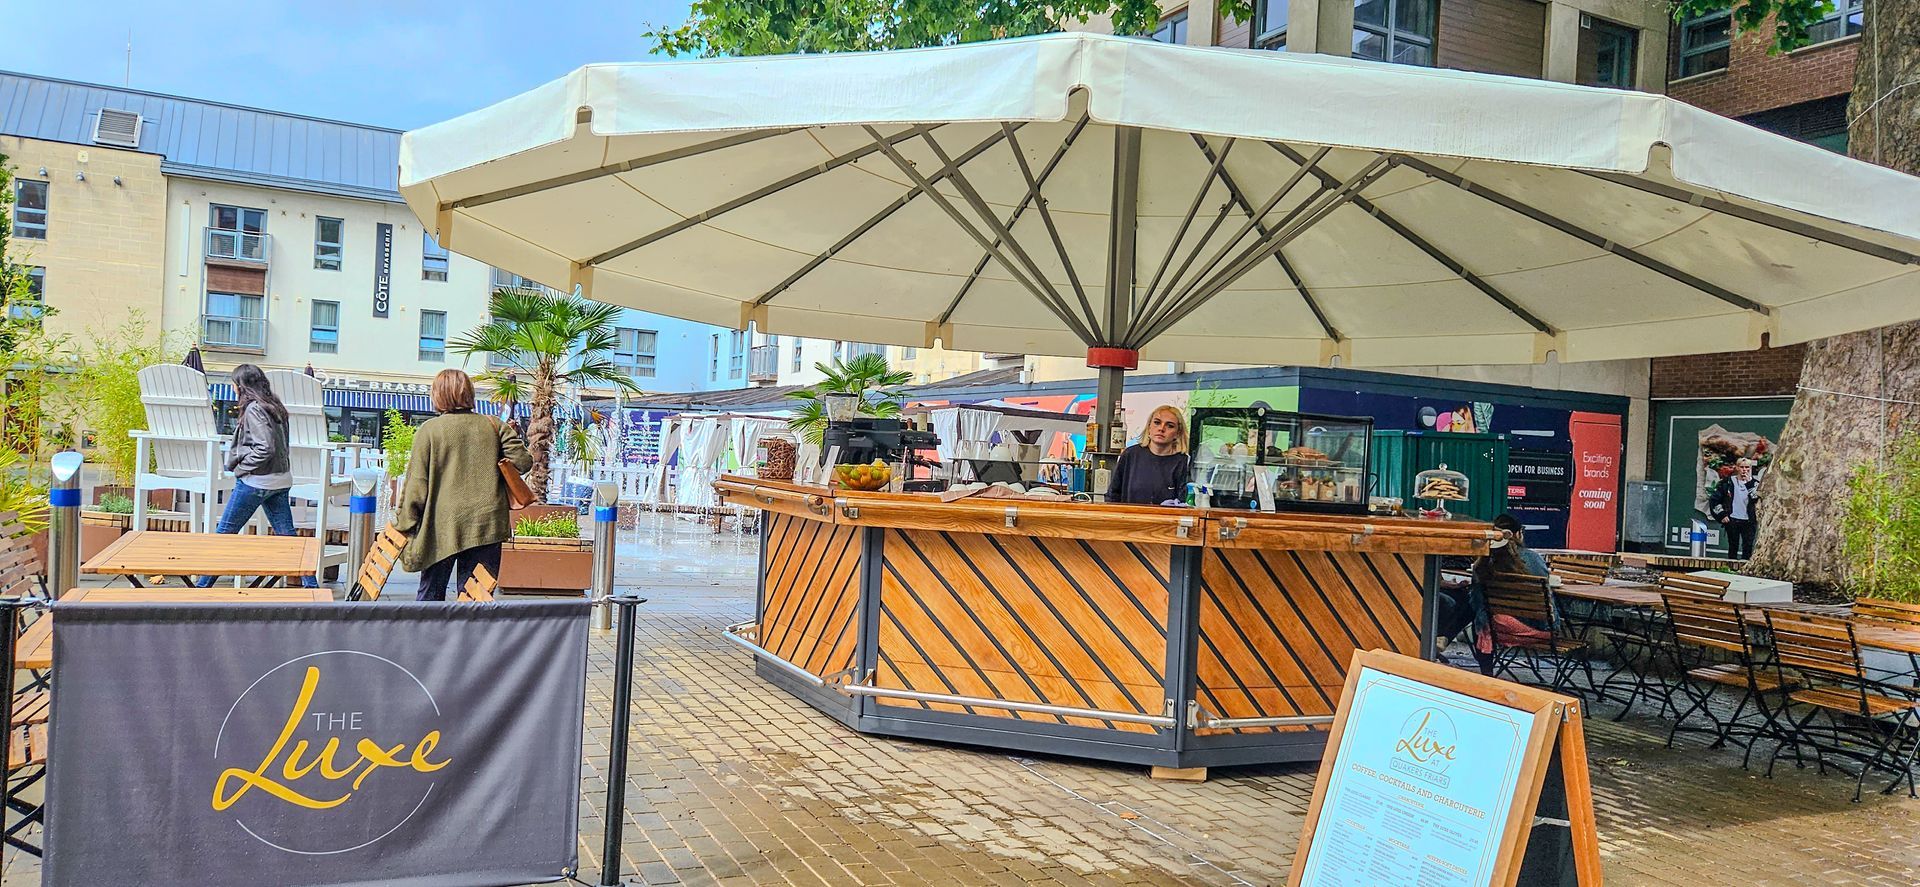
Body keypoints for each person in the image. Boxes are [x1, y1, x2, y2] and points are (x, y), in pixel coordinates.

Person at [393, 369, 533, 601]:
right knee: (476, 602)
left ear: (438, 395)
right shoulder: (494, 425)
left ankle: (428, 627)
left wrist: (403, 524)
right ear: (469, 393)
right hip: (486, 526)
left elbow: (416, 486)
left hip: (441, 528)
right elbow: (523, 462)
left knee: (429, 598)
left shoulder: (430, 430)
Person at [196, 365, 315, 588]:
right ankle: (312, 588)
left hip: (257, 481)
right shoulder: (274, 406)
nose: (233, 388)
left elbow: (265, 447)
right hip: (280, 479)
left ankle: (200, 590)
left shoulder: (253, 409)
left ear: (241, 386)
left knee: (224, 535)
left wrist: (243, 467)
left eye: (235, 384)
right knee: (288, 537)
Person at [1105, 405, 1190, 506]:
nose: (1161, 428)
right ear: (1149, 427)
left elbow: (1185, 502)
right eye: (1157, 423)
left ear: (1178, 433)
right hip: (1129, 515)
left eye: (1170, 426)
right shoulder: (1130, 455)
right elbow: (1113, 495)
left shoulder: (1183, 462)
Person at [1709, 458, 1761, 560]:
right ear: (1737, 468)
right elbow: (1714, 500)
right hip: (1732, 519)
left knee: (1748, 547)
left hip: (1749, 521)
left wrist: (1749, 483)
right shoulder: (1727, 483)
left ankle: (1745, 566)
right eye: (1742, 467)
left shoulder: (1755, 484)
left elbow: (1756, 499)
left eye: (1747, 467)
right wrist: (1722, 514)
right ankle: (1730, 567)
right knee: (1733, 546)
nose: (1744, 470)